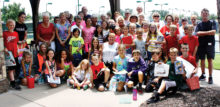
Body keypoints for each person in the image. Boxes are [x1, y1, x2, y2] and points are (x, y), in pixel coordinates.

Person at [195, 8, 216, 84]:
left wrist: (202, 33)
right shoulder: (199, 24)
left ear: (208, 14)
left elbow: (213, 32)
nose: (205, 15)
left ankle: (210, 77)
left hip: (210, 44)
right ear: (201, 14)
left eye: (206, 13)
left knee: (210, 60)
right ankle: (203, 75)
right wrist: (208, 32)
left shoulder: (212, 22)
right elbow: (197, 33)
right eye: (203, 13)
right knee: (202, 60)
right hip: (201, 44)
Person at [3, 19, 21, 90]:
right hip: (9, 54)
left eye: (13, 25)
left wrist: (18, 49)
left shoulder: (16, 33)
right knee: (11, 69)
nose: (12, 26)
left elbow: (16, 43)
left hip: (15, 53)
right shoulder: (5, 33)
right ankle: (13, 83)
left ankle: (12, 81)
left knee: (15, 68)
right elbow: (2, 43)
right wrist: (4, 48)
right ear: (7, 25)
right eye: (10, 25)